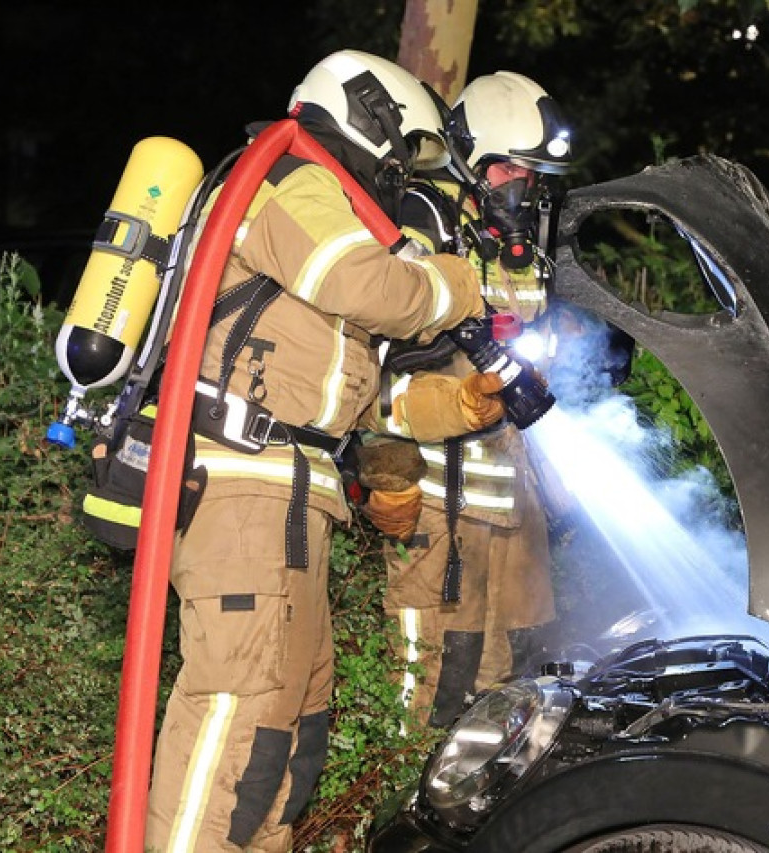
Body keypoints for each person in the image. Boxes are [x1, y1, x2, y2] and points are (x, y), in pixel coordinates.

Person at [144, 50, 507, 852]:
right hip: (245, 487)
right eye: (399, 157)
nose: (399, 180)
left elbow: (353, 400)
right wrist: (464, 284)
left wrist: (461, 401)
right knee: (236, 709)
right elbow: (369, 289)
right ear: (369, 123)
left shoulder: (324, 214)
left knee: (289, 724)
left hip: (292, 492)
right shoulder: (288, 180)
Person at [361, 71, 573, 729]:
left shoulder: (528, 253)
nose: (524, 186)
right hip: (437, 508)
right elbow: (375, 367)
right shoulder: (424, 223)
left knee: (509, 690)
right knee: (425, 696)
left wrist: (555, 493)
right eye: (511, 168)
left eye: (534, 174)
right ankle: (394, 811)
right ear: (473, 158)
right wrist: (388, 477)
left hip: (512, 507)